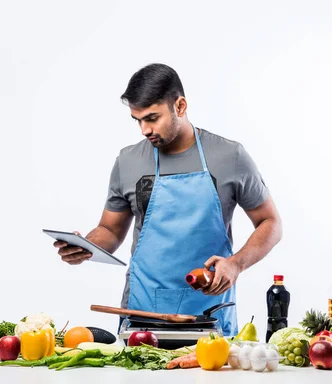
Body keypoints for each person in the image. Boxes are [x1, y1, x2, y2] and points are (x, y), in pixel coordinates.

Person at [54, 63, 282, 336]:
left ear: (180, 106)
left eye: (152, 118)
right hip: (142, 312)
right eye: (137, 120)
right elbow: (110, 230)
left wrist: (235, 264)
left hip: (210, 314)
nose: (144, 130)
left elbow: (271, 222)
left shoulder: (229, 156)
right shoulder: (127, 161)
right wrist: (87, 246)